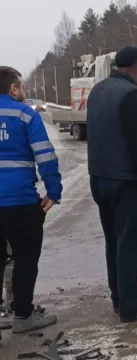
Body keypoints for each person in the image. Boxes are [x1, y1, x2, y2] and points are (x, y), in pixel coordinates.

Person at [86, 46, 137, 323]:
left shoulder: (98, 91)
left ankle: (121, 297)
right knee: (132, 243)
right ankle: (131, 306)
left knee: (115, 241)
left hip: (99, 178)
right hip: (124, 179)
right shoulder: (132, 95)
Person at [0, 66, 62, 333]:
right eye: (21, 86)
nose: (23, 91)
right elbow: (45, 156)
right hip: (20, 203)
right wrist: (53, 192)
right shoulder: (25, 115)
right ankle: (23, 316)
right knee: (25, 259)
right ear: (13, 88)